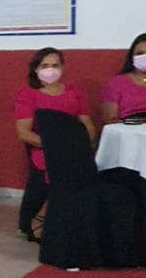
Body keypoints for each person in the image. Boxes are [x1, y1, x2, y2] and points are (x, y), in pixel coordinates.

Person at [13, 47, 95, 240]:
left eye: (55, 65)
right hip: (45, 149)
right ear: (36, 69)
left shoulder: (74, 92)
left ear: (62, 68)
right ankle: (39, 221)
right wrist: (56, 146)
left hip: (74, 148)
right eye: (45, 65)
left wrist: (84, 143)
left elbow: (87, 124)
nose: (50, 70)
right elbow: (24, 133)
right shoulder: (28, 94)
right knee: (64, 167)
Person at [102, 33, 146, 124]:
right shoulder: (116, 83)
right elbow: (110, 120)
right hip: (128, 129)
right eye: (139, 53)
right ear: (132, 57)